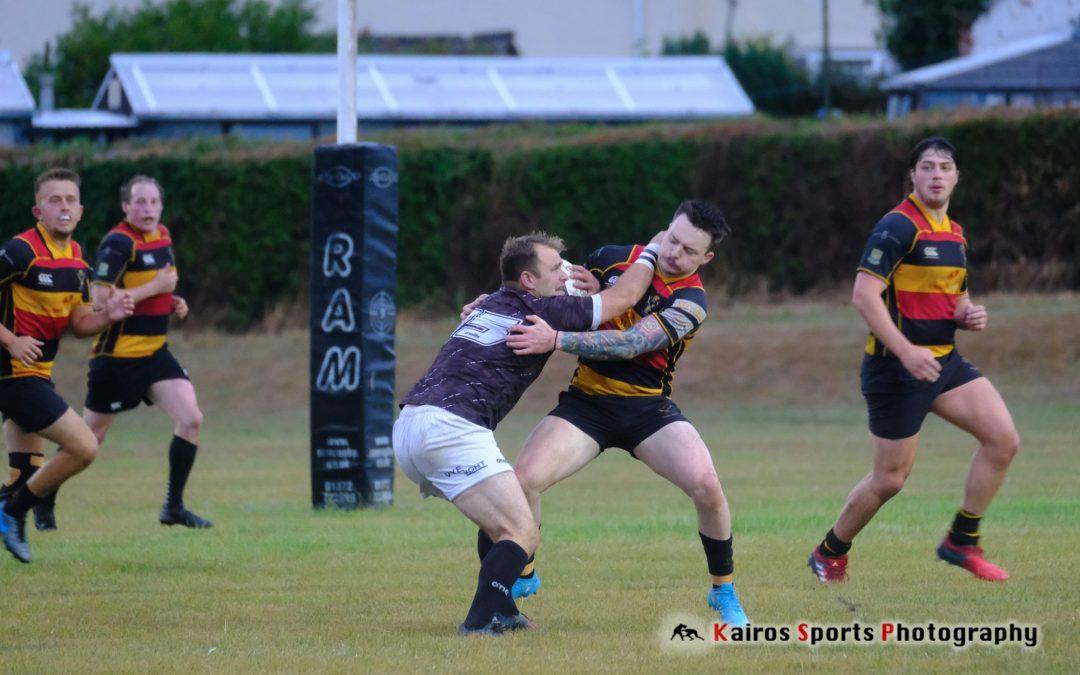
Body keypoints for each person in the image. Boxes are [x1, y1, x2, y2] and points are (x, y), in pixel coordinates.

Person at [480, 200, 749, 627]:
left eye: (689, 251)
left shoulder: (692, 302)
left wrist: (557, 340)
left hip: (647, 408)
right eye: (673, 240)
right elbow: (542, 292)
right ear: (666, 229)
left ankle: (723, 589)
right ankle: (526, 573)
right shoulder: (610, 259)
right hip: (587, 402)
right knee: (523, 481)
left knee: (708, 486)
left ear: (706, 258)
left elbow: (630, 343)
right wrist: (490, 306)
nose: (675, 252)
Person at [395, 230, 661, 635]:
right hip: (451, 428)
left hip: (411, 425)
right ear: (528, 281)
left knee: (501, 525)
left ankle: (502, 610)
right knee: (522, 532)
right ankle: (480, 621)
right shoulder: (545, 311)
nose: (566, 274)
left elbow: (551, 285)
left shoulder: (491, 304)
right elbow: (622, 299)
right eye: (556, 268)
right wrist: (655, 250)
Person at [807, 136, 1020, 583]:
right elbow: (864, 295)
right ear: (913, 175)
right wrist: (905, 351)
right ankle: (829, 553)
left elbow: (955, 295)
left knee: (1003, 440)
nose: (937, 174)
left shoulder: (955, 234)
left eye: (945, 166)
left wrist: (968, 314)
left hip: (944, 364)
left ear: (957, 176)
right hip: (894, 370)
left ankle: (961, 542)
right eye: (927, 166)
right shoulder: (897, 226)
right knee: (890, 480)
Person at [31, 175, 210, 531]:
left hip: (156, 354)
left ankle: (173, 508)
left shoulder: (163, 237)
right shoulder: (118, 243)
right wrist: (155, 287)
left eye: (154, 202)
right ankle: (41, 499)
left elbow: (155, 288)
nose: (148, 209)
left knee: (191, 419)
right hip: (117, 359)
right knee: (87, 441)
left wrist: (173, 302)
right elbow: (100, 300)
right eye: (140, 202)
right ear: (126, 207)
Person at [0, 168, 134, 563]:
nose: (64, 206)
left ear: (81, 211)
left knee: (25, 474)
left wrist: (109, 315)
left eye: (70, 200)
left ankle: (10, 509)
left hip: (36, 374)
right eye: (54, 200)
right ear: (37, 210)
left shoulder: (77, 261)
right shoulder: (20, 251)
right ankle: (10, 511)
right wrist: (10, 339)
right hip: (12, 375)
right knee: (83, 447)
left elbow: (79, 324)